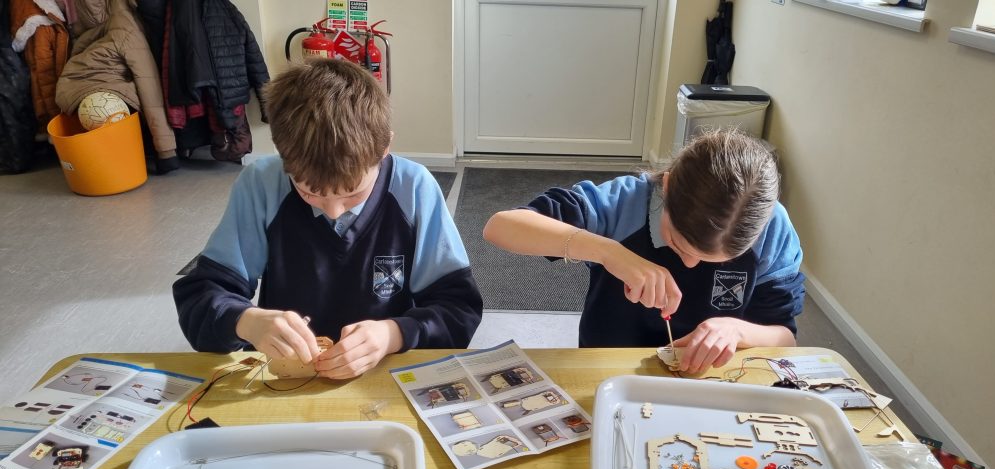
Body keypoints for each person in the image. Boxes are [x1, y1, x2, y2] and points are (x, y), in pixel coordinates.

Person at [173, 59, 483, 379]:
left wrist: (394, 334)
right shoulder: (261, 185)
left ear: (384, 149)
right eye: (310, 193)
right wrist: (246, 321)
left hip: (385, 375)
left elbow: (458, 310)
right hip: (288, 376)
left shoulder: (414, 189)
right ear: (282, 155)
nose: (334, 211)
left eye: (353, 194)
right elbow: (200, 298)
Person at [483, 130, 804, 373]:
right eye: (678, 243)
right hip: (610, 363)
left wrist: (737, 329)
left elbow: (784, 337)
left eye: (715, 261)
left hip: (710, 377)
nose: (689, 264)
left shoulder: (772, 229)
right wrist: (609, 252)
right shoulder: (623, 202)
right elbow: (501, 226)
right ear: (667, 187)